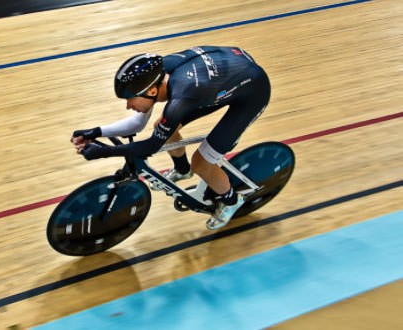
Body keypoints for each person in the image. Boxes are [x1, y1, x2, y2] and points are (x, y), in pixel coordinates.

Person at [70, 46, 271, 230]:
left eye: (130, 99)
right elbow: (137, 124)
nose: (128, 105)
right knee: (163, 126)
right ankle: (182, 170)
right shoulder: (155, 77)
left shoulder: (182, 96)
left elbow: (151, 145)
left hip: (251, 93)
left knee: (201, 163)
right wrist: (96, 132)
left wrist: (105, 152)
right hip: (223, 79)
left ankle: (231, 200)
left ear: (152, 91)